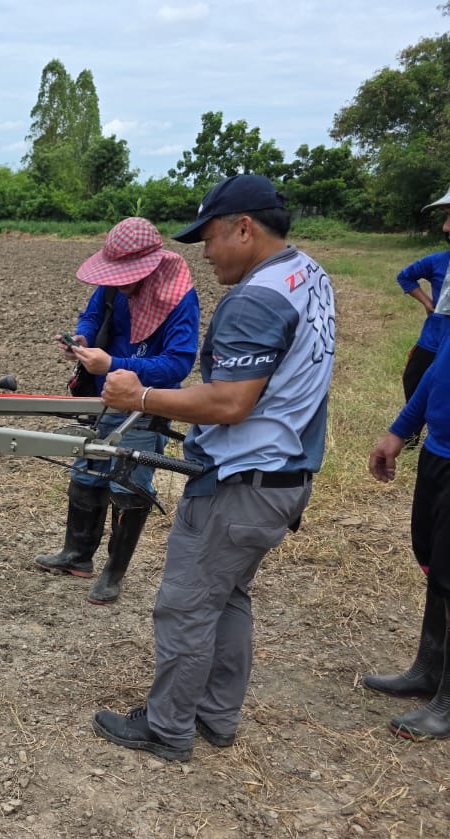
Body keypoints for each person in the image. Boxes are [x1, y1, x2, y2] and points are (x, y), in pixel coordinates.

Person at [90, 174, 336, 762]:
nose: (204, 251)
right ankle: (216, 715)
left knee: (185, 605)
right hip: (283, 477)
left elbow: (230, 403)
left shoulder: (254, 299)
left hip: (239, 484)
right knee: (227, 598)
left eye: (211, 236)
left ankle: (167, 728)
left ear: (245, 227)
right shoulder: (307, 275)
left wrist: (140, 399)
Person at [35, 217, 200, 604]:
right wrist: (82, 338)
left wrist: (114, 364)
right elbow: (93, 315)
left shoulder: (179, 299)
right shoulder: (111, 286)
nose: (120, 283)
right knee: (87, 469)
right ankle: (77, 555)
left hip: (144, 403)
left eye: (128, 276)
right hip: (100, 395)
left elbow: (177, 364)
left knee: (129, 482)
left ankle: (113, 572)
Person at [364, 330, 450, 739]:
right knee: (437, 566)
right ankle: (429, 669)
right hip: (439, 453)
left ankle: (447, 704)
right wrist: (400, 430)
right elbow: (439, 367)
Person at [392, 185, 450, 446]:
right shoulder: (438, 261)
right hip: (433, 338)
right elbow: (405, 275)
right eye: (446, 217)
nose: (446, 227)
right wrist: (428, 302)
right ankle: (412, 436)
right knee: (415, 378)